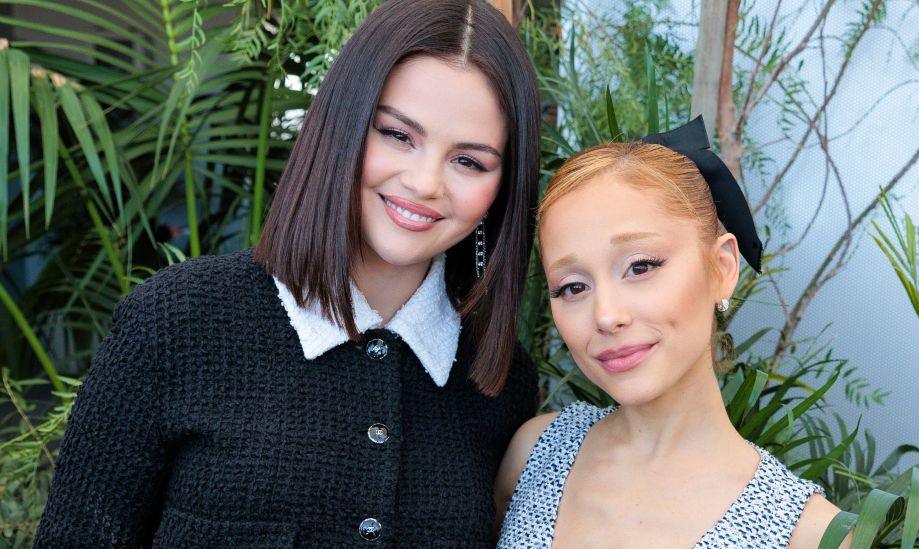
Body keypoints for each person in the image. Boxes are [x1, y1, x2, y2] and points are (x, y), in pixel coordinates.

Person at [34, 0, 540, 546]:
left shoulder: (500, 382)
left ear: (503, 187)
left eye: (469, 161)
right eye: (397, 134)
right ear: (341, 124)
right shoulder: (174, 325)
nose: (424, 183)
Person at [494, 118, 851, 548]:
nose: (606, 316)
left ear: (722, 268)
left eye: (640, 266)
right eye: (573, 287)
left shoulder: (808, 535)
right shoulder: (534, 454)